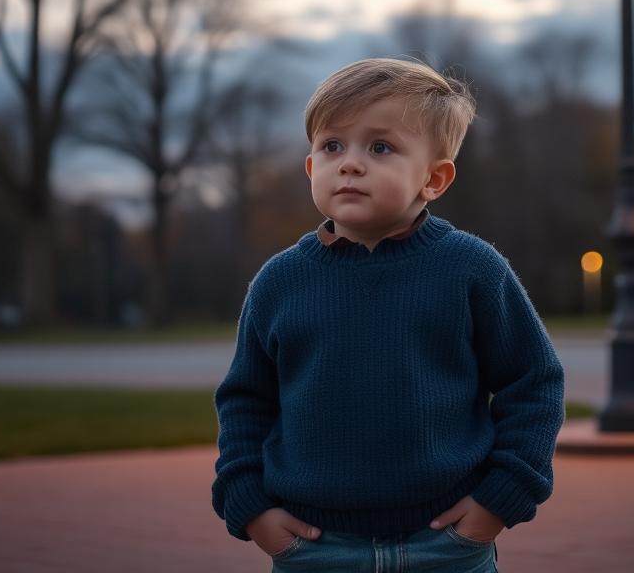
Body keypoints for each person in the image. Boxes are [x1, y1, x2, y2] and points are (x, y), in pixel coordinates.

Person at [212, 57, 564, 571]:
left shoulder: (471, 269)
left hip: (446, 545)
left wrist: (501, 498)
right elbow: (245, 402)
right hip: (313, 547)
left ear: (435, 179)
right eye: (332, 146)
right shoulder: (279, 282)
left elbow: (533, 381)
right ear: (311, 167)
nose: (350, 163)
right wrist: (250, 506)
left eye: (380, 147)